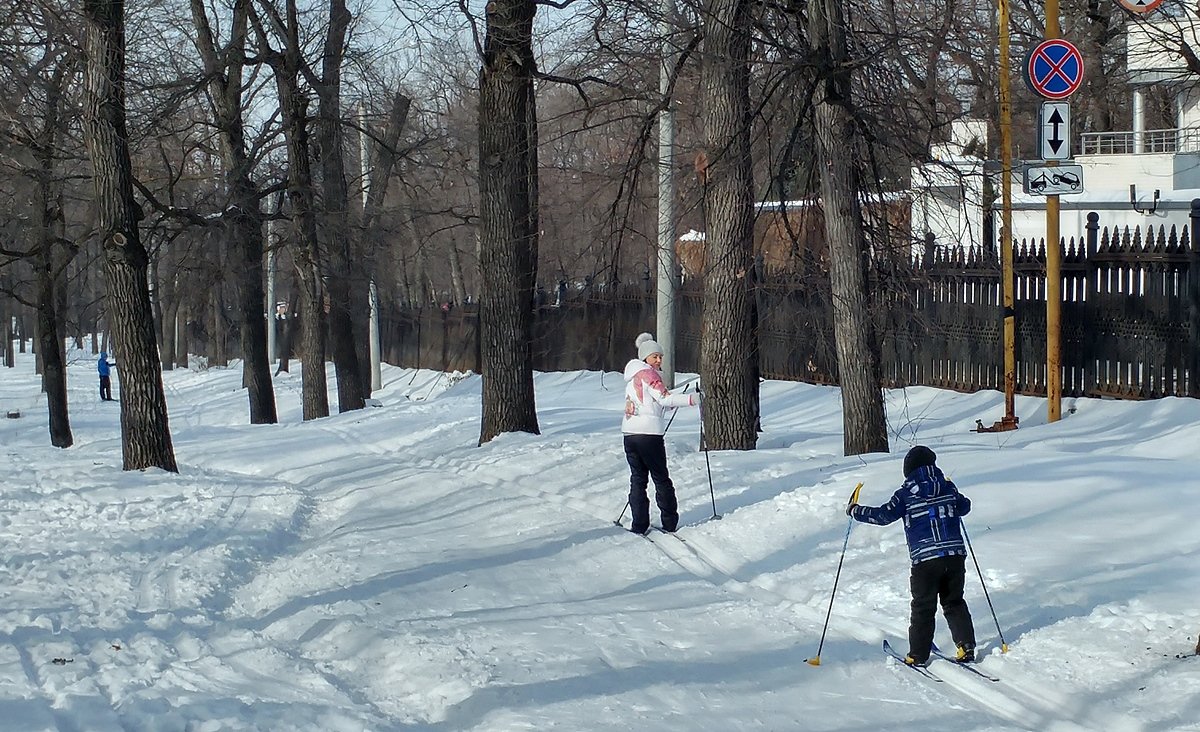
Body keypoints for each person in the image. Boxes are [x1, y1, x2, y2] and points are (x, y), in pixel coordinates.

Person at [847, 445, 977, 666]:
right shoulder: (947, 486)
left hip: (925, 560)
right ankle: (966, 647)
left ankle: (917, 654)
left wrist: (855, 510)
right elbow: (964, 507)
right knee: (954, 601)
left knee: (923, 607)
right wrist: (952, 494)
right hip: (954, 555)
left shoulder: (905, 494)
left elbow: (883, 516)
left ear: (908, 470)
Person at [621, 332, 700, 535]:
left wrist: (671, 402)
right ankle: (669, 522)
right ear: (645, 357)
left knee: (638, 479)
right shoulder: (649, 375)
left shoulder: (632, 377)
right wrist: (692, 399)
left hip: (630, 434)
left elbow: (653, 403)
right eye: (655, 356)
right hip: (649, 435)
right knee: (660, 477)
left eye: (660, 356)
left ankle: (639, 524)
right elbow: (664, 399)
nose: (659, 360)